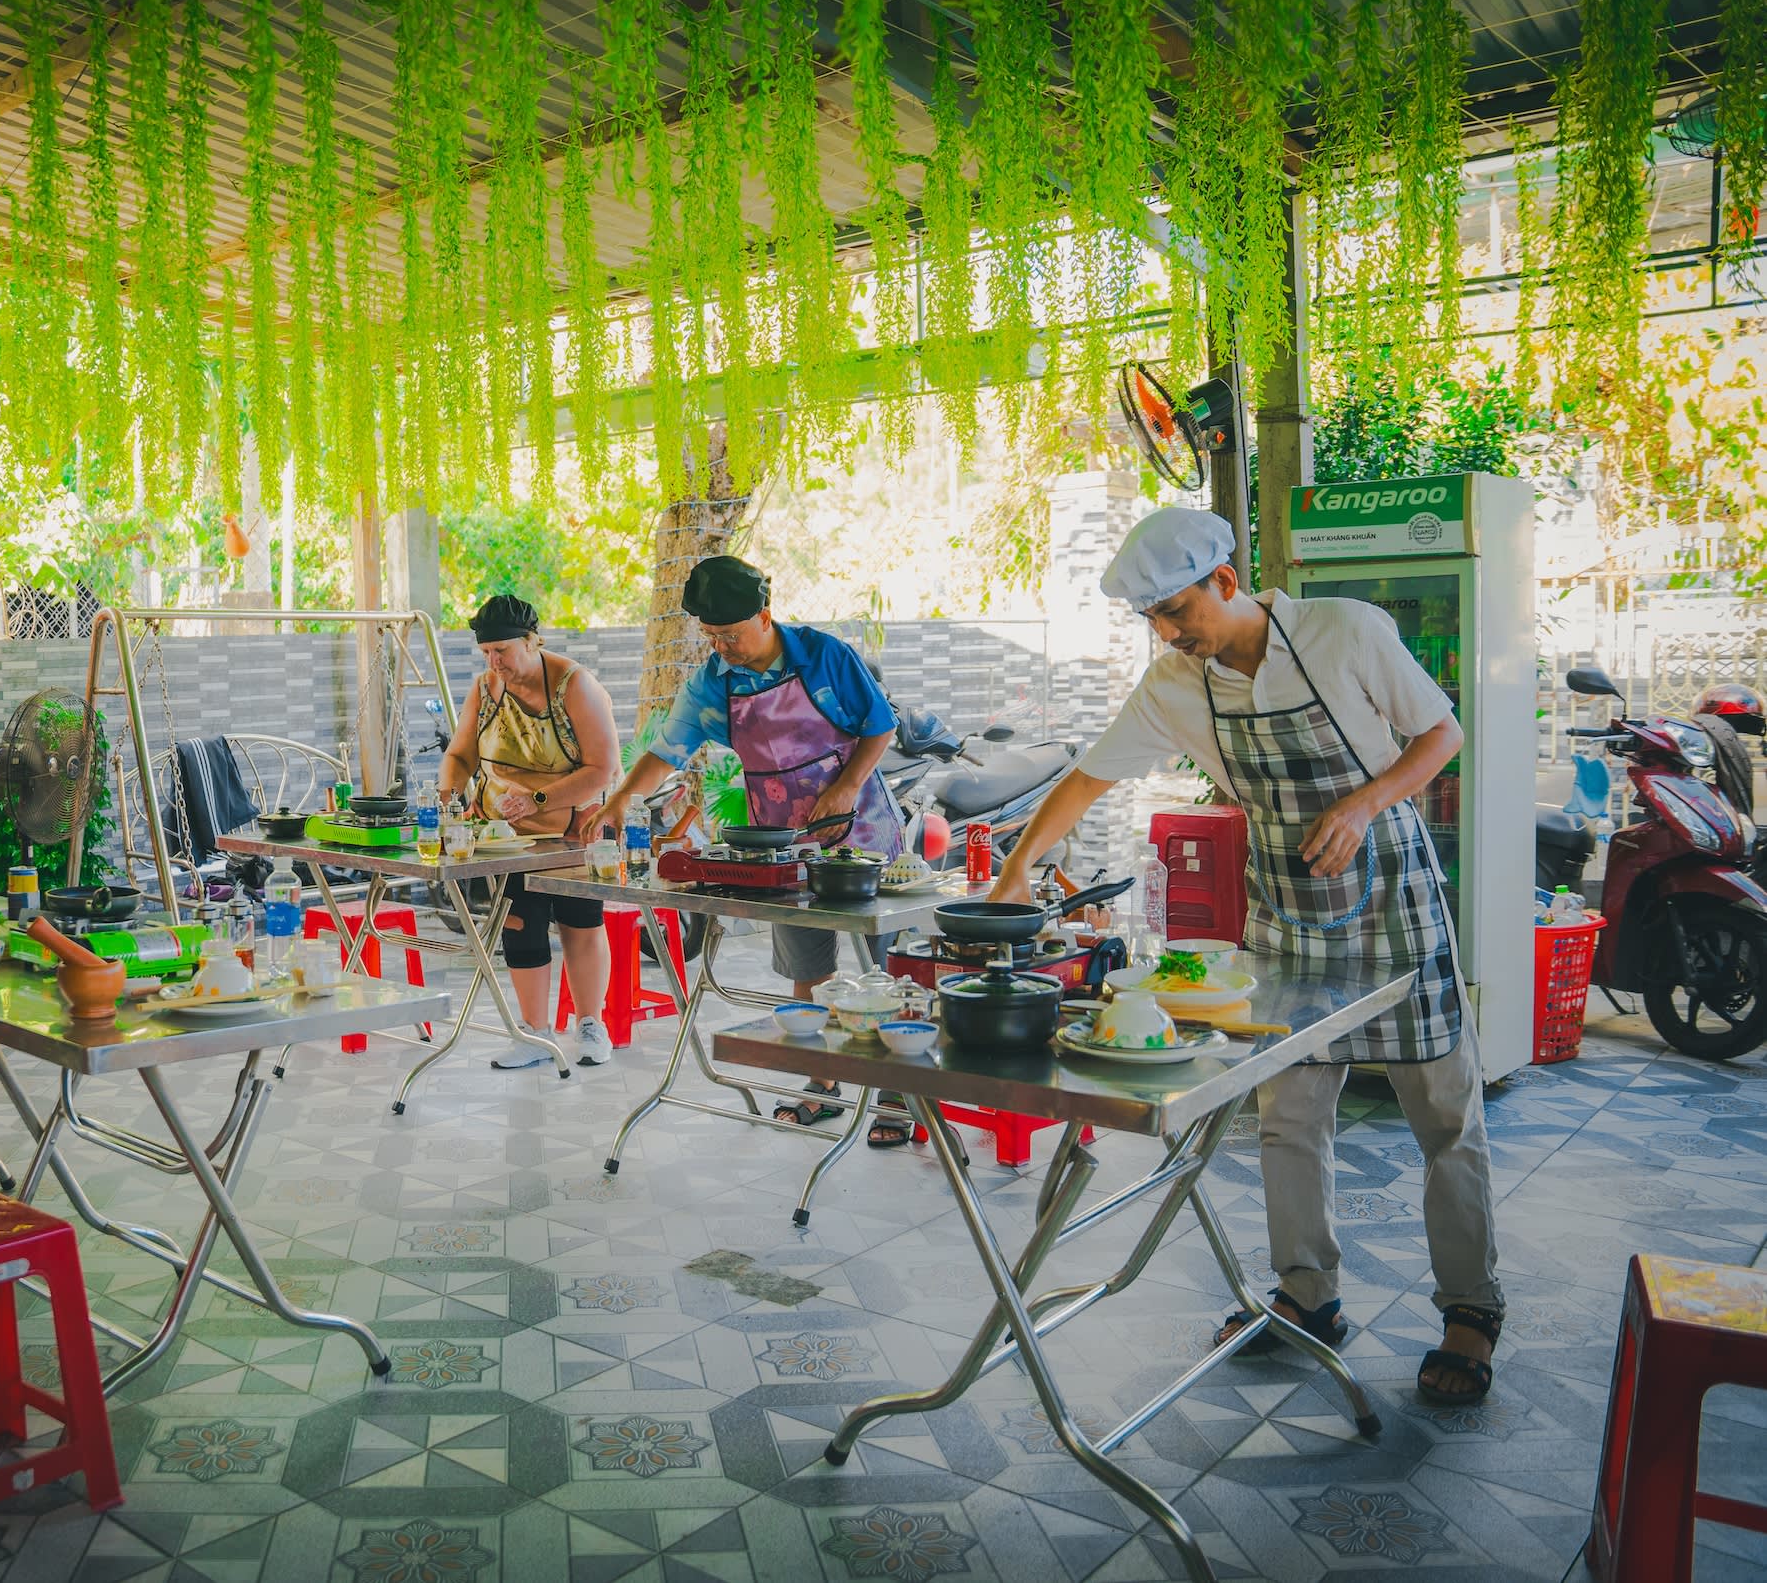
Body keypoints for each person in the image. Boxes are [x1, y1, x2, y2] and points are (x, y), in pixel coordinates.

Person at [986, 507, 1502, 1408]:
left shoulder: (1343, 631)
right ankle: (1307, 1293)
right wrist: (1018, 867)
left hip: (1393, 896)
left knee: (1444, 1115)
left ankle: (1471, 1307)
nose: (1167, 632)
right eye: (1152, 616)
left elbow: (1440, 735)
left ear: (1226, 580)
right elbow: (1090, 776)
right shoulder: (1174, 684)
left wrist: (1363, 804)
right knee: (1286, 1116)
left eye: (1176, 609)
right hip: (1287, 912)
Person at [588, 556, 913, 1144]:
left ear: (765, 615)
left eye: (731, 635)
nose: (722, 647)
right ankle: (821, 1084)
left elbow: (880, 725)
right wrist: (620, 800)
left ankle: (896, 1094)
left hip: (859, 829)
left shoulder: (824, 656)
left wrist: (844, 787)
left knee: (881, 966)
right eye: (712, 636)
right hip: (781, 842)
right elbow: (668, 749)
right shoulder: (714, 681)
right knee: (807, 965)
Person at [435, 595, 622, 1068]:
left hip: (574, 830)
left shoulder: (574, 685)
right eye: (486, 653)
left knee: (580, 921)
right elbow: (459, 755)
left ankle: (591, 1024)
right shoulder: (485, 688)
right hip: (505, 835)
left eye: (501, 651)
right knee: (519, 923)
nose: (494, 663)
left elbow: (603, 768)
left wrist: (539, 799)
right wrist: (449, 799)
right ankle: (535, 1034)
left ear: (532, 641)